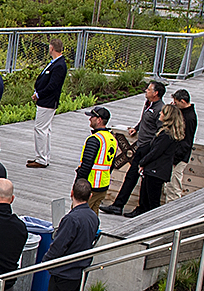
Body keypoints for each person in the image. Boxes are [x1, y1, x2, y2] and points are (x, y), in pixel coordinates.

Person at [38, 179, 102, 291]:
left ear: (71, 193)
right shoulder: (92, 217)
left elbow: (59, 246)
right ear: (90, 196)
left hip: (63, 274)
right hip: (79, 273)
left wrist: (45, 263)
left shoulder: (71, 219)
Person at [107, 80, 165, 216]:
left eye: (149, 89)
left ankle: (139, 208)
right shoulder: (148, 104)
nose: (146, 91)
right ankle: (118, 205)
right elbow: (145, 120)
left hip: (147, 148)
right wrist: (136, 128)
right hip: (140, 146)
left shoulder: (159, 109)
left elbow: (159, 130)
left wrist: (152, 147)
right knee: (130, 176)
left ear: (156, 93)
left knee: (140, 178)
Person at [134, 100, 188, 216]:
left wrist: (142, 162)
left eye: (162, 113)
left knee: (152, 201)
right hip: (158, 169)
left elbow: (156, 152)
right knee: (148, 198)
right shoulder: (169, 134)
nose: (160, 114)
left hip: (156, 170)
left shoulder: (166, 135)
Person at [28, 43, 66, 167]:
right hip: (45, 100)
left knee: (40, 129)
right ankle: (44, 156)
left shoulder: (59, 65)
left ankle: (41, 158)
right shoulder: (54, 63)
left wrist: (39, 94)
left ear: (52, 48)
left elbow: (53, 85)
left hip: (48, 101)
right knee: (45, 129)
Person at [78, 107, 115, 209]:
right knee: (93, 216)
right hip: (103, 185)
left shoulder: (94, 139)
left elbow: (86, 164)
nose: (90, 119)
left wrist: (78, 183)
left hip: (90, 186)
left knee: (79, 214)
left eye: (92, 117)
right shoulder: (111, 138)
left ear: (99, 120)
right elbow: (112, 164)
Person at [167, 89, 199, 200]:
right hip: (175, 154)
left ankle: (172, 209)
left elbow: (187, 141)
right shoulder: (182, 113)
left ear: (183, 101)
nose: (174, 104)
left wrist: (177, 158)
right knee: (169, 185)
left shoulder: (189, 118)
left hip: (179, 157)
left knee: (174, 185)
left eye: (176, 102)